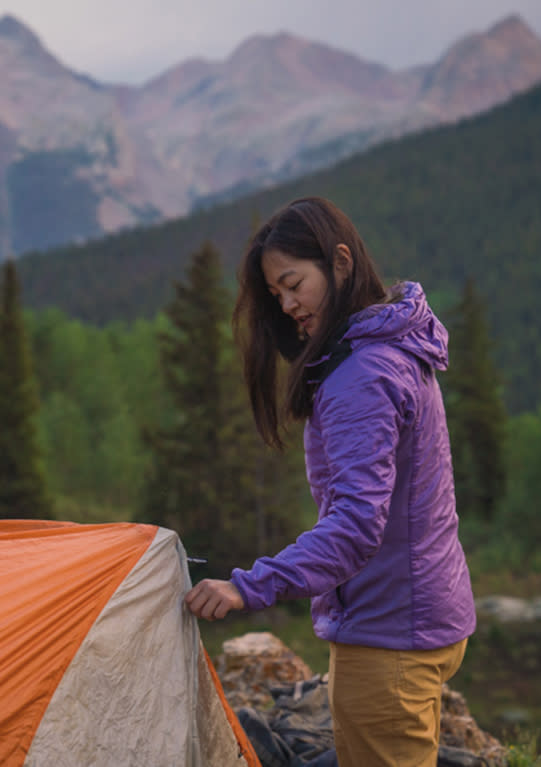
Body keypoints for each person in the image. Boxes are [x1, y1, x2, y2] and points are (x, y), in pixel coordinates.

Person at [184, 196, 475, 767]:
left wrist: (248, 586)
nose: (288, 305)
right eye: (276, 295)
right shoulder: (395, 344)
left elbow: (355, 526)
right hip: (428, 618)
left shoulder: (363, 375)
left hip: (388, 638)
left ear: (340, 262)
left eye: (294, 283)